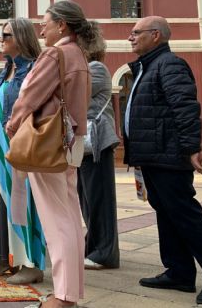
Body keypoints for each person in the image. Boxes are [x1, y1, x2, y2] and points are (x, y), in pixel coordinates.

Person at [7, 0, 97, 308]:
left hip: (48, 145)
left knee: (57, 223)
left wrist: (13, 124)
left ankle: (63, 297)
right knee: (69, 219)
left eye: (45, 21)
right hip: (70, 143)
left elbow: (30, 95)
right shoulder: (78, 54)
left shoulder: (55, 53)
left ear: (62, 25)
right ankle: (68, 292)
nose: (41, 27)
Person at [123, 16, 202, 305]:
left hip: (169, 155)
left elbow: (185, 108)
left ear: (156, 35)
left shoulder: (169, 64)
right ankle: (180, 272)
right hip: (154, 154)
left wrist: (190, 148)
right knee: (167, 213)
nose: (130, 37)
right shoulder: (149, 66)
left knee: (185, 215)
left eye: (136, 33)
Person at [0, 18, 46, 284]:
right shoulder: (8, 70)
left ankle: (31, 263)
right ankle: (3, 256)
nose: (0, 40)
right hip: (0, 146)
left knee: (24, 204)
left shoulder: (33, 71)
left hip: (22, 145)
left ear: (21, 38)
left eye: (6, 35)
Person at [77, 36, 120, 271]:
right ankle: (94, 246)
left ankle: (105, 253)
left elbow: (73, 92)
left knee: (99, 200)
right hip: (84, 145)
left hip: (97, 144)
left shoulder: (96, 68)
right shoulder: (86, 69)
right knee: (87, 199)